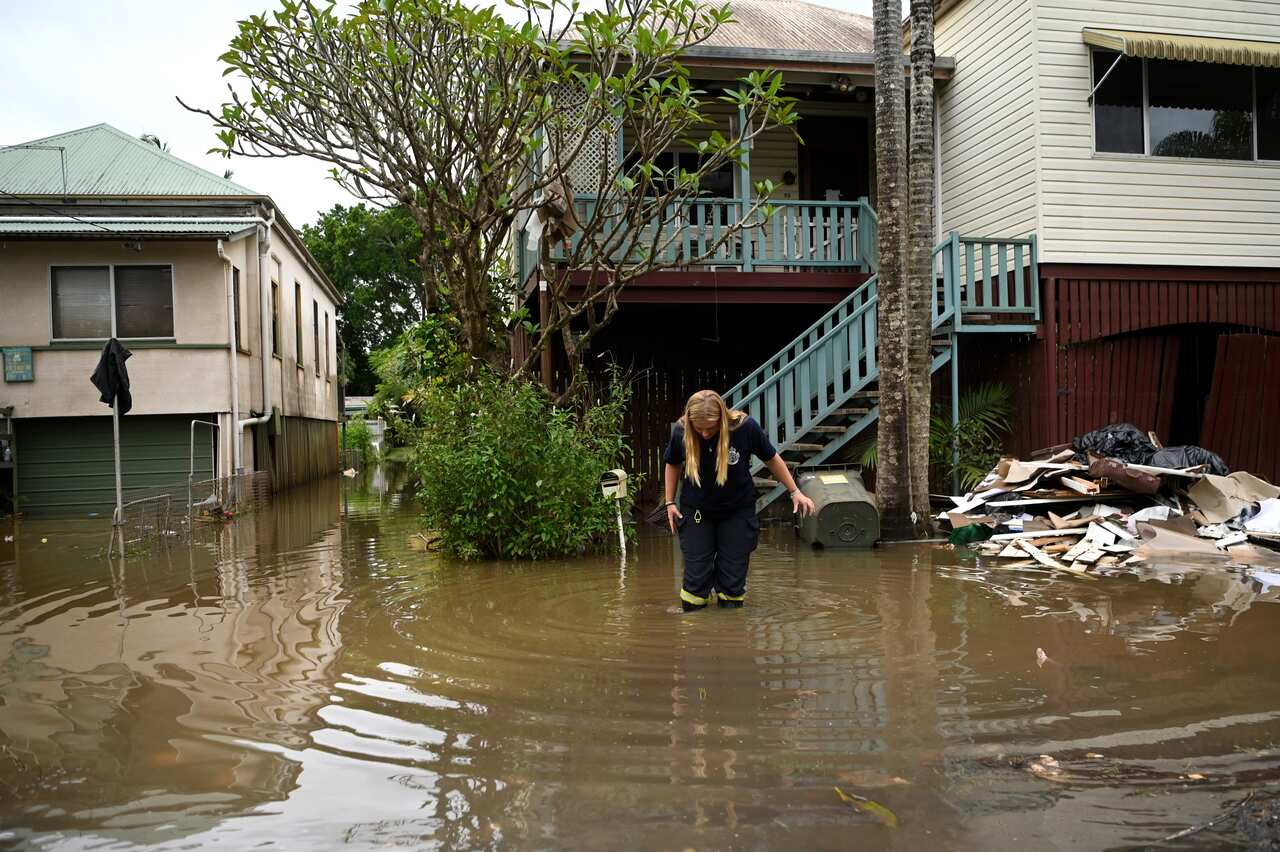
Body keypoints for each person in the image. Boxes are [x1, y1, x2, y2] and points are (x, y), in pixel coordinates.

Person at [662, 389, 816, 611]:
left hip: (737, 511)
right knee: (696, 580)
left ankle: (731, 630)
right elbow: (673, 463)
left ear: (722, 419)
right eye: (699, 428)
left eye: (711, 427)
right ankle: (693, 630)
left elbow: (771, 459)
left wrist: (795, 492)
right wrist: (669, 502)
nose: (705, 433)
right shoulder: (682, 431)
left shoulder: (745, 428)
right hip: (697, 512)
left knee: (732, 583)